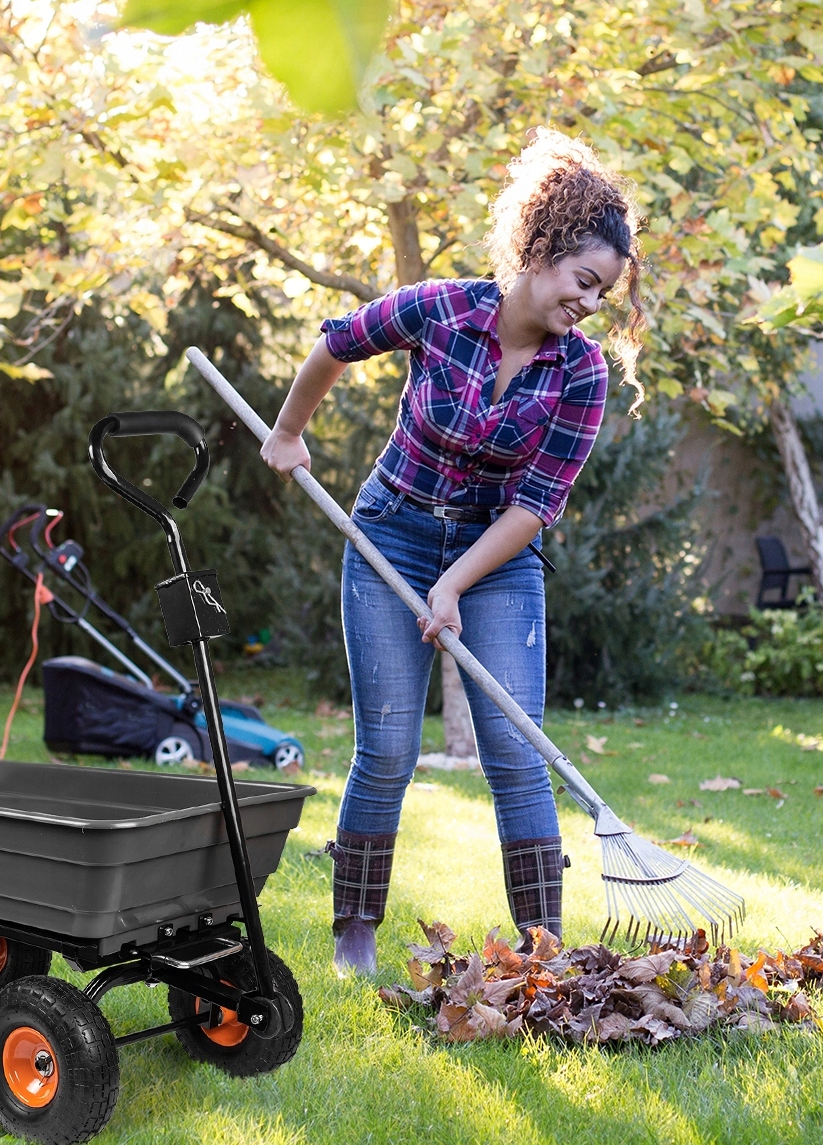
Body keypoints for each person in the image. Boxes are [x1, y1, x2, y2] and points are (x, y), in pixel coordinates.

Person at [261, 130, 647, 974]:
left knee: (517, 751)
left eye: (604, 292)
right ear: (541, 250)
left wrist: (457, 583)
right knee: (389, 745)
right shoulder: (439, 309)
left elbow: (537, 503)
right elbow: (338, 340)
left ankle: (541, 952)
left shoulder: (582, 373)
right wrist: (289, 433)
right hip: (390, 531)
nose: (590, 303)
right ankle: (354, 934)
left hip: (496, 556)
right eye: (584, 280)